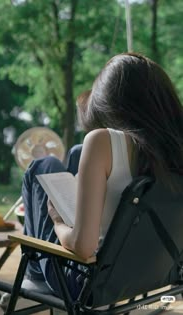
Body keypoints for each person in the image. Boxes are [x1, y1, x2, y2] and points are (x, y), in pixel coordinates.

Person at [21, 52, 183, 300]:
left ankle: (35, 275)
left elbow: (84, 247)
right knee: (76, 153)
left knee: (44, 165)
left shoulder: (102, 141)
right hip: (150, 276)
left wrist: (57, 222)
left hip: (86, 284)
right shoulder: (174, 152)